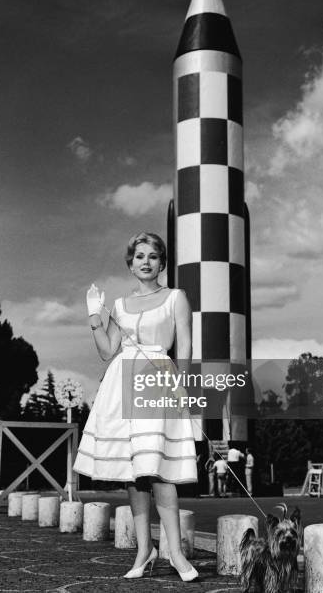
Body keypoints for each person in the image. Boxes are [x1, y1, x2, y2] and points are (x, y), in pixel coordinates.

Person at [73, 232, 198, 582]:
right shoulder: (120, 305)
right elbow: (105, 350)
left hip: (157, 380)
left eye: (154, 256)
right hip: (119, 382)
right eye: (139, 256)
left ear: (162, 262)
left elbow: (184, 346)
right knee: (134, 473)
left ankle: (175, 551)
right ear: (130, 264)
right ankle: (145, 551)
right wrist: (94, 314)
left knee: (158, 469)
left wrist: (182, 386)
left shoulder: (176, 298)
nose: (146, 261)